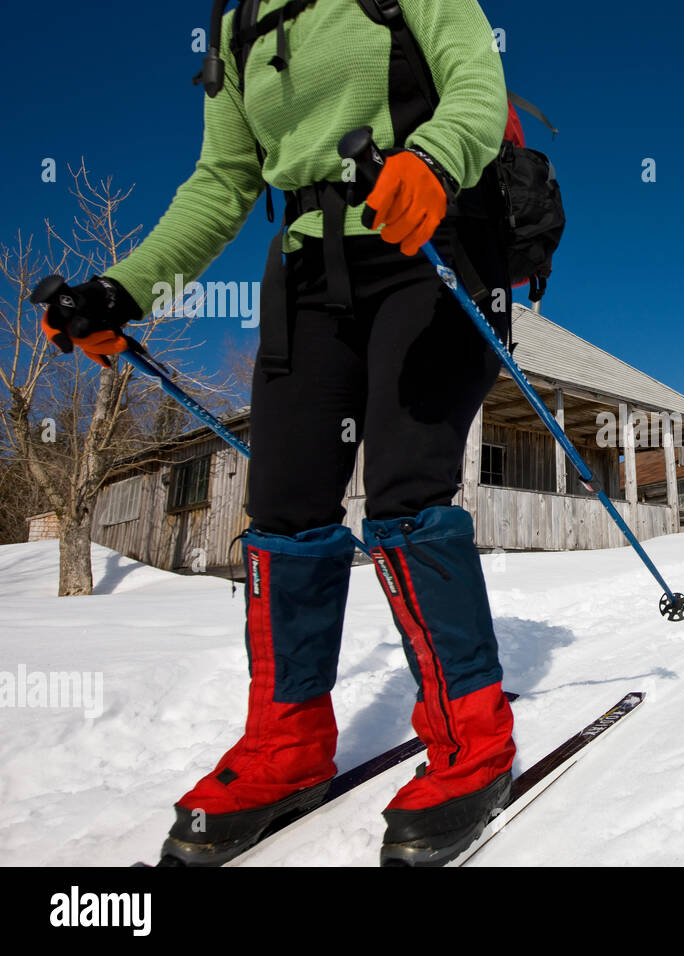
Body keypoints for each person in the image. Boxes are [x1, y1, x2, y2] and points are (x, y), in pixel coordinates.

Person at [37, 0, 518, 866]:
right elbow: (222, 182)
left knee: (408, 485)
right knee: (284, 507)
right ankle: (287, 744)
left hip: (426, 236)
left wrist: (435, 161)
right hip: (307, 269)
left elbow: (479, 90)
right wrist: (125, 289)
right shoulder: (238, 24)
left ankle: (471, 739)